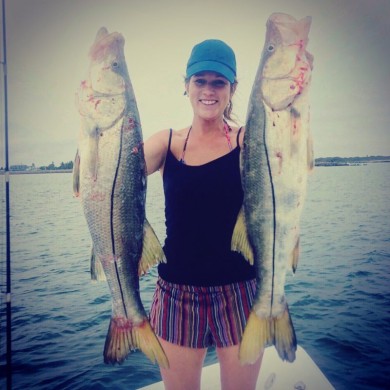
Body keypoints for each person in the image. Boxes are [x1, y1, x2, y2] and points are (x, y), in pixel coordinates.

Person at [144, 39, 263, 390]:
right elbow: (118, 171)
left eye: (218, 82)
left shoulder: (249, 143)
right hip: (177, 293)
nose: (208, 91)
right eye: (200, 81)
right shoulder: (167, 142)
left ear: (233, 89)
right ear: (186, 85)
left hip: (240, 290)